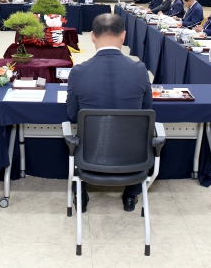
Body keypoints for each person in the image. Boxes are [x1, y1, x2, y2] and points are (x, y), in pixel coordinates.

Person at [65, 14, 152, 213]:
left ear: (92, 36)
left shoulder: (78, 71)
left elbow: (72, 115)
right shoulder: (139, 70)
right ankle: (130, 195)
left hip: (89, 154)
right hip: (134, 155)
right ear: (123, 36)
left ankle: (81, 195)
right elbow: (147, 110)